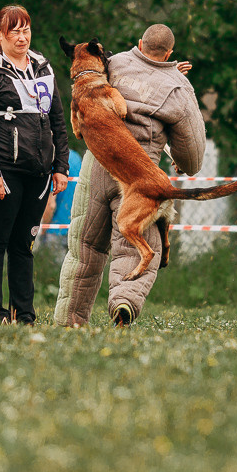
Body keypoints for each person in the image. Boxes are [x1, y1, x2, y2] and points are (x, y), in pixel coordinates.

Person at [54, 24, 203, 327]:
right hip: (140, 172)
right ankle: (124, 303)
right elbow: (192, 153)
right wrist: (184, 165)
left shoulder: (114, 62)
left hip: (96, 165)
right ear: (170, 53)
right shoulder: (178, 88)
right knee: (131, 247)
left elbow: (87, 80)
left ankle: (69, 320)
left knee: (84, 248)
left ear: (138, 43)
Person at [0, 5, 69, 323]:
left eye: (26, 30)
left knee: (24, 246)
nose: (22, 37)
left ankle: (24, 315)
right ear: (0, 34)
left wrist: (60, 166)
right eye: (14, 31)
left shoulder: (43, 67)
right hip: (2, 173)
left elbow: (58, 121)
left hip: (38, 173)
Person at [37, 147, 82, 259]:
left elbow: (50, 205)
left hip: (54, 231)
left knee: (53, 273)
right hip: (76, 228)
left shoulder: (52, 159)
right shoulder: (75, 156)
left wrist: (41, 231)